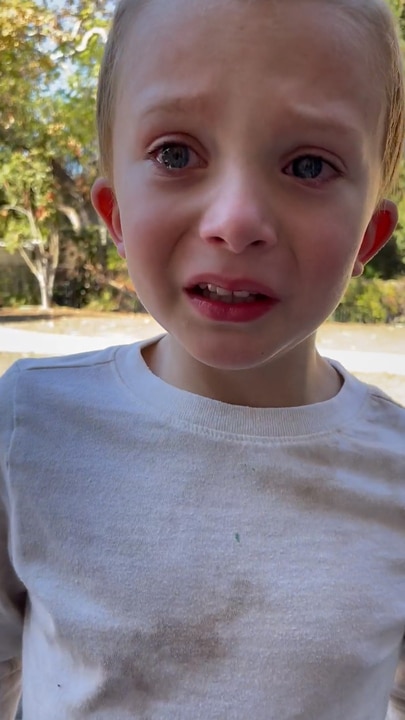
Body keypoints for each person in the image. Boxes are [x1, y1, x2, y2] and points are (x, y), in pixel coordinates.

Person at [1, 0, 405, 718]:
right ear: (115, 215)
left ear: (366, 239)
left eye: (307, 164)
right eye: (176, 154)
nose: (236, 221)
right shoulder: (27, 425)